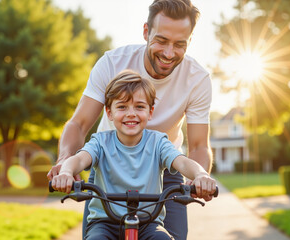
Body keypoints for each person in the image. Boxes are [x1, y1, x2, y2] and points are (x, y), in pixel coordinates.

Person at [47, 0, 213, 239]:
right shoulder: (112, 63)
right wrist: (65, 163)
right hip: (108, 164)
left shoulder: (197, 79)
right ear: (146, 32)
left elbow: (198, 146)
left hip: (164, 166)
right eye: (162, 40)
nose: (169, 53)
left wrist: (199, 178)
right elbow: (79, 124)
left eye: (179, 44)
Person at [51, 70, 216, 240]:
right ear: (109, 113)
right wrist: (66, 172)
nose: (131, 113)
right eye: (122, 107)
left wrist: (200, 174)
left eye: (139, 106)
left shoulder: (158, 142)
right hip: (104, 222)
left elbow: (182, 162)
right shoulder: (100, 142)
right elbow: (79, 159)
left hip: (149, 222)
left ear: (150, 112)